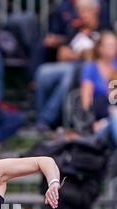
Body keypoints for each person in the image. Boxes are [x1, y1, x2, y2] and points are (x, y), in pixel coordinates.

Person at [35, 0, 104, 131]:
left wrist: (78, 54)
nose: (82, 15)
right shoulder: (75, 29)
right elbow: (62, 54)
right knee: (42, 72)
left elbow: (94, 56)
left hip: (87, 69)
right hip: (68, 65)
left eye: (85, 11)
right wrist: (80, 54)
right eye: (80, 11)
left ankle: (46, 119)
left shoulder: (103, 30)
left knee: (70, 75)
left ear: (95, 11)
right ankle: (40, 116)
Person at [81, 31, 117, 147]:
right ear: (100, 48)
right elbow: (86, 100)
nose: (113, 48)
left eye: (115, 45)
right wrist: (91, 122)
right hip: (100, 120)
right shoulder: (91, 67)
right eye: (109, 45)